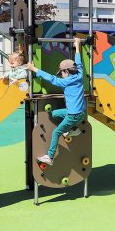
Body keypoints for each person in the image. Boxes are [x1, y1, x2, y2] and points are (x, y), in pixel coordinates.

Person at [27, 38, 85, 166]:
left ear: (67, 71)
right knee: (54, 114)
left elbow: (52, 79)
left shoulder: (65, 81)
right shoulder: (80, 74)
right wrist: (77, 46)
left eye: (62, 73)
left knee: (56, 132)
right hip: (79, 112)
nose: (61, 75)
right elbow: (79, 63)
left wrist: (34, 69)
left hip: (73, 114)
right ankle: (73, 129)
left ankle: (50, 157)